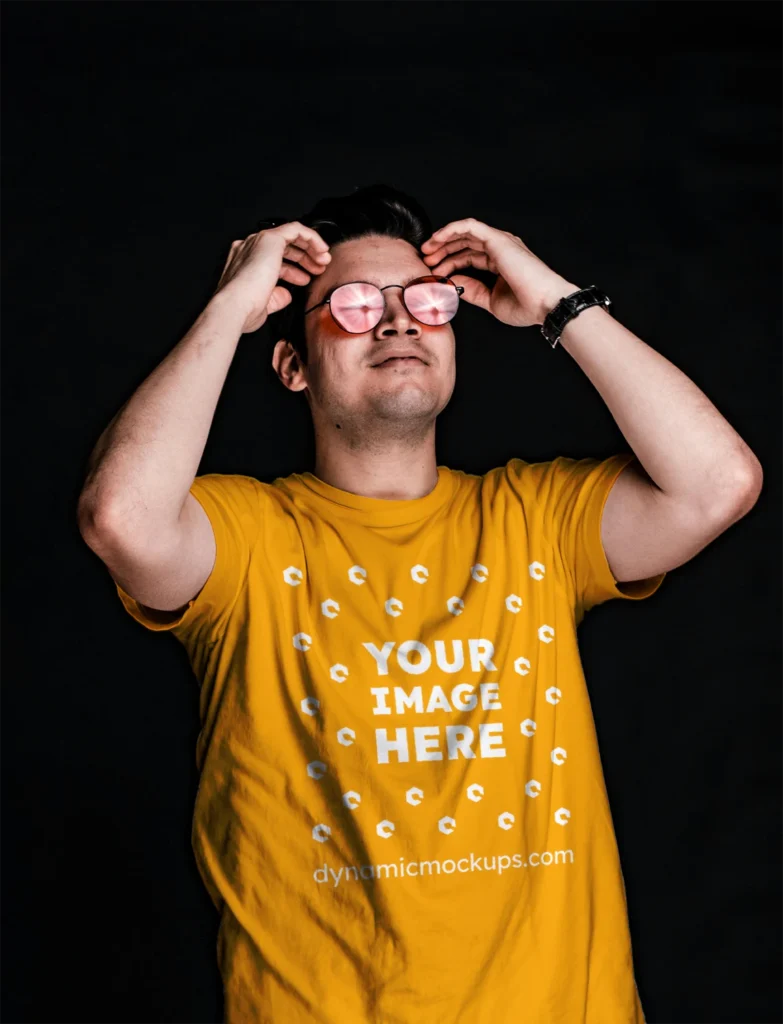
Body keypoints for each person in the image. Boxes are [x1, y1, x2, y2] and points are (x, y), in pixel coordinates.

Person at [77, 183, 762, 1022]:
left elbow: (718, 484)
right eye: (355, 306)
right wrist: (230, 306)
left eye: (425, 302)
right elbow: (120, 518)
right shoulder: (246, 539)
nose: (398, 321)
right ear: (291, 363)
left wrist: (555, 300)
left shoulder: (535, 521)